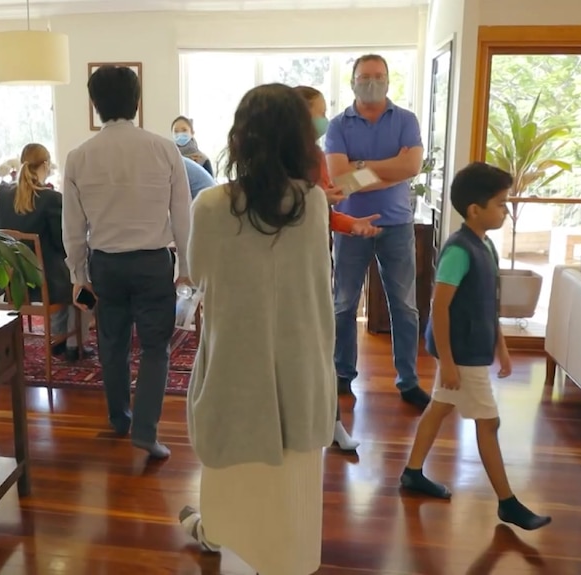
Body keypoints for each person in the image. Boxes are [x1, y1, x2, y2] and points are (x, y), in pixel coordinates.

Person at [178, 83, 336, 575]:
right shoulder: (314, 206)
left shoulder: (209, 206)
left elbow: (199, 273)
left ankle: (219, 540)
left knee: (237, 496)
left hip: (235, 370)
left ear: (240, 138)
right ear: (301, 139)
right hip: (302, 369)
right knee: (292, 498)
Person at [400, 162, 552, 532]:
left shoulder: (486, 247)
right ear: (475, 210)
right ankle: (507, 502)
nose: (506, 210)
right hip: (462, 355)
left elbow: (489, 302)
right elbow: (439, 306)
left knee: (439, 408)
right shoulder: (459, 251)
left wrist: (501, 345)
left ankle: (412, 472)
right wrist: (448, 362)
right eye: (501, 203)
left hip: (473, 349)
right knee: (489, 422)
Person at [63, 65, 192, 459]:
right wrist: (185, 266)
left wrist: (78, 274)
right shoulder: (164, 149)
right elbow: (182, 213)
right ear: (137, 102)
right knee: (156, 348)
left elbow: (72, 225)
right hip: (153, 262)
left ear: (95, 104)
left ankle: (119, 417)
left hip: (106, 265)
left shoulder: (79, 156)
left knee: (112, 344)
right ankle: (146, 432)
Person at [324, 54, 430, 409]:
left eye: (379, 76)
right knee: (344, 305)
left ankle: (409, 380)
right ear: (352, 81)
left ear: (388, 80)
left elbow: (412, 166)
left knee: (404, 307)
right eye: (365, 76)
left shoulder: (405, 120)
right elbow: (340, 180)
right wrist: (389, 169)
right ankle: (342, 375)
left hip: (397, 224)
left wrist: (361, 167)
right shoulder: (339, 124)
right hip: (349, 226)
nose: (372, 81)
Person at [294, 85, 383, 451]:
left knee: (322, 346)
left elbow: (325, 212)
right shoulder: (279, 158)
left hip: (314, 263)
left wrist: (352, 224)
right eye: (319, 110)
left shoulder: (315, 154)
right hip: (284, 265)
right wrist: (316, 199)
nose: (323, 117)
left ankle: (331, 423)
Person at [0, 143, 90, 361]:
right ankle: (75, 343)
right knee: (84, 282)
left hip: (14, 282)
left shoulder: (2, 194)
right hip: (49, 284)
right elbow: (62, 244)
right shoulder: (51, 199)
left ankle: (61, 339)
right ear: (46, 165)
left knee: (68, 274)